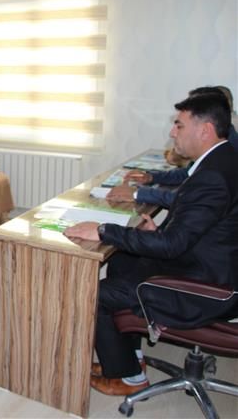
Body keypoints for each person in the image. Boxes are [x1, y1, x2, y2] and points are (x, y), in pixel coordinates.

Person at [64, 93, 238, 396]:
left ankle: (127, 377)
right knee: (121, 261)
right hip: (209, 263)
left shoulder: (213, 176)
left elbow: (172, 245)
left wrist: (103, 230)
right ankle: (130, 358)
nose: (172, 132)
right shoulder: (224, 159)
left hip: (209, 287)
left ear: (205, 130)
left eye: (179, 125)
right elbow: (201, 227)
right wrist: (159, 232)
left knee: (95, 293)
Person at [108, 86, 238, 207]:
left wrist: (137, 194)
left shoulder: (228, 152)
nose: (172, 133)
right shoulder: (220, 143)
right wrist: (152, 177)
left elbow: (188, 200)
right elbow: (188, 173)